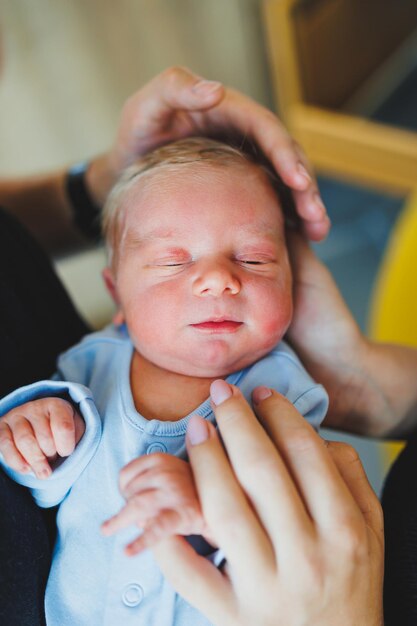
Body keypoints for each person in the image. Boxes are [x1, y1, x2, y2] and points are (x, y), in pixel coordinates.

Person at [0, 66, 329, 626]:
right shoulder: (86, 365)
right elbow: (48, 484)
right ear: (118, 296)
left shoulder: (285, 394)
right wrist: (36, 435)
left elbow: (300, 523)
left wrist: (208, 503)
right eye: (173, 262)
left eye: (254, 259)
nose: (218, 280)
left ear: (293, 279)